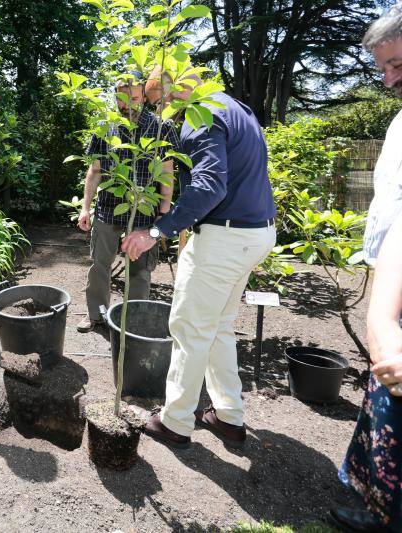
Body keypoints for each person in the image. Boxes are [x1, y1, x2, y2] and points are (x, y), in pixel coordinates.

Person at [121, 70, 276, 449]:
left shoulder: (199, 114)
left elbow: (210, 185)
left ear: (174, 89)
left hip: (225, 238)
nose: (163, 112)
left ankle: (174, 422)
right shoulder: (235, 107)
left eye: (159, 102)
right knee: (219, 326)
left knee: (189, 327)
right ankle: (228, 416)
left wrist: (157, 231)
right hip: (256, 232)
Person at [329, 6, 402, 531]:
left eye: (398, 64)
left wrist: (382, 317)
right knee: (386, 401)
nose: (390, 79)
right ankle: (379, 506)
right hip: (392, 282)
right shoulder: (400, 121)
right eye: (383, 68)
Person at [76, 73, 178, 333]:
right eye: (122, 98)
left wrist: (163, 212)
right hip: (107, 210)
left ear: (143, 97)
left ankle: (134, 321)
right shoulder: (106, 126)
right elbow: (95, 170)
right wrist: (85, 207)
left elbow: (167, 173)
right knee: (99, 266)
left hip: (143, 215)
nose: (127, 104)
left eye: (133, 98)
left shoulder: (160, 127)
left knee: (140, 271)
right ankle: (96, 314)